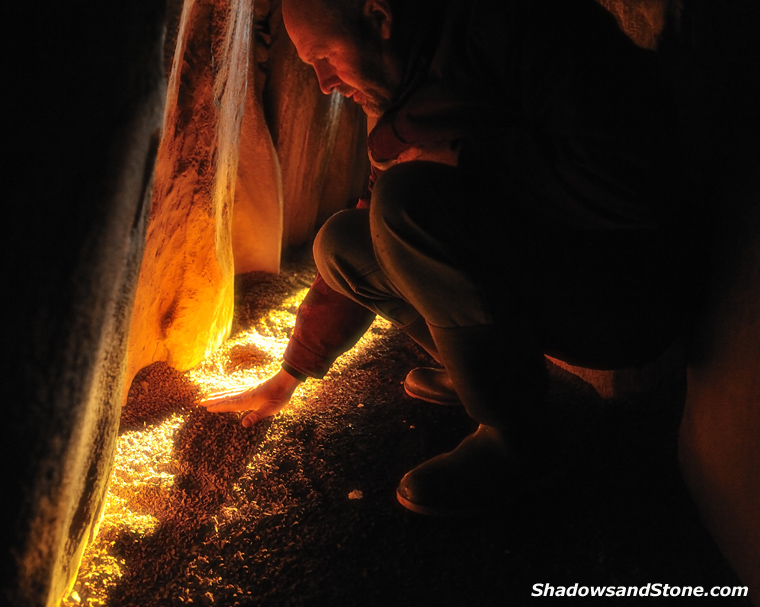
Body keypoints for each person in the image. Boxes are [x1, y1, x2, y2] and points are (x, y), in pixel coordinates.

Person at [202, 0, 699, 516]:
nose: (325, 83)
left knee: (408, 204)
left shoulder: (528, 32)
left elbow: (640, 187)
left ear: (379, 17)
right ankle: (487, 375)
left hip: (622, 297)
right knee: (341, 243)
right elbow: (371, 224)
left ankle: (520, 441)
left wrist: (467, 160)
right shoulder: (406, 93)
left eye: (325, 56)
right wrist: (291, 374)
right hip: (545, 273)